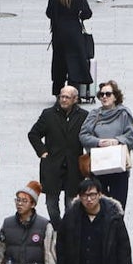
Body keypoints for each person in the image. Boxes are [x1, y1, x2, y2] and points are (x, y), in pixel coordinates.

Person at [28, 86, 90, 227]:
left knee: (71, 203)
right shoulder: (48, 114)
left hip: (74, 166)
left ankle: (68, 229)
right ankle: (57, 227)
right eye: (61, 96)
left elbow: (89, 136)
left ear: (75, 99)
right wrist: (42, 152)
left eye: (67, 97)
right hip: (52, 165)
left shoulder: (84, 116)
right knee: (51, 203)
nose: (63, 99)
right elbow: (33, 134)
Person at [80, 79, 133, 206]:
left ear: (115, 97)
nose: (104, 97)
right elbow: (83, 135)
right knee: (100, 205)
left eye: (108, 94)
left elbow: (132, 135)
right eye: (102, 94)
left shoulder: (123, 114)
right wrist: (99, 142)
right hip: (98, 166)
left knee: (118, 205)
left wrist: (117, 141)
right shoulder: (94, 114)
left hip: (118, 167)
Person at [45, 0, 93, 99]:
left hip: (58, 33)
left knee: (59, 62)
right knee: (75, 62)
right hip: (74, 33)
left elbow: (49, 13)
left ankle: (58, 92)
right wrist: (79, 16)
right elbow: (87, 13)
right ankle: (72, 93)